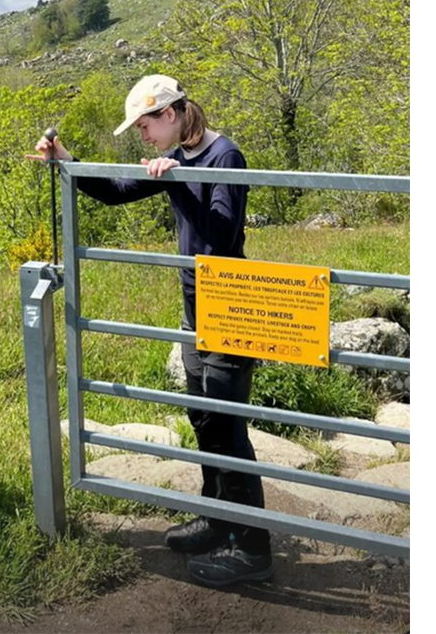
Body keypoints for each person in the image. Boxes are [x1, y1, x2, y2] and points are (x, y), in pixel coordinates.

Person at [28, 74, 274, 587]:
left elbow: (222, 233)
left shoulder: (224, 156)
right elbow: (116, 193)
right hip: (193, 306)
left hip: (229, 303)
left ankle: (253, 547)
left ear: (171, 113)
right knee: (204, 417)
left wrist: (174, 183)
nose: (143, 137)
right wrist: (67, 162)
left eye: (145, 126)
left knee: (229, 423)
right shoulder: (177, 160)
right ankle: (218, 520)